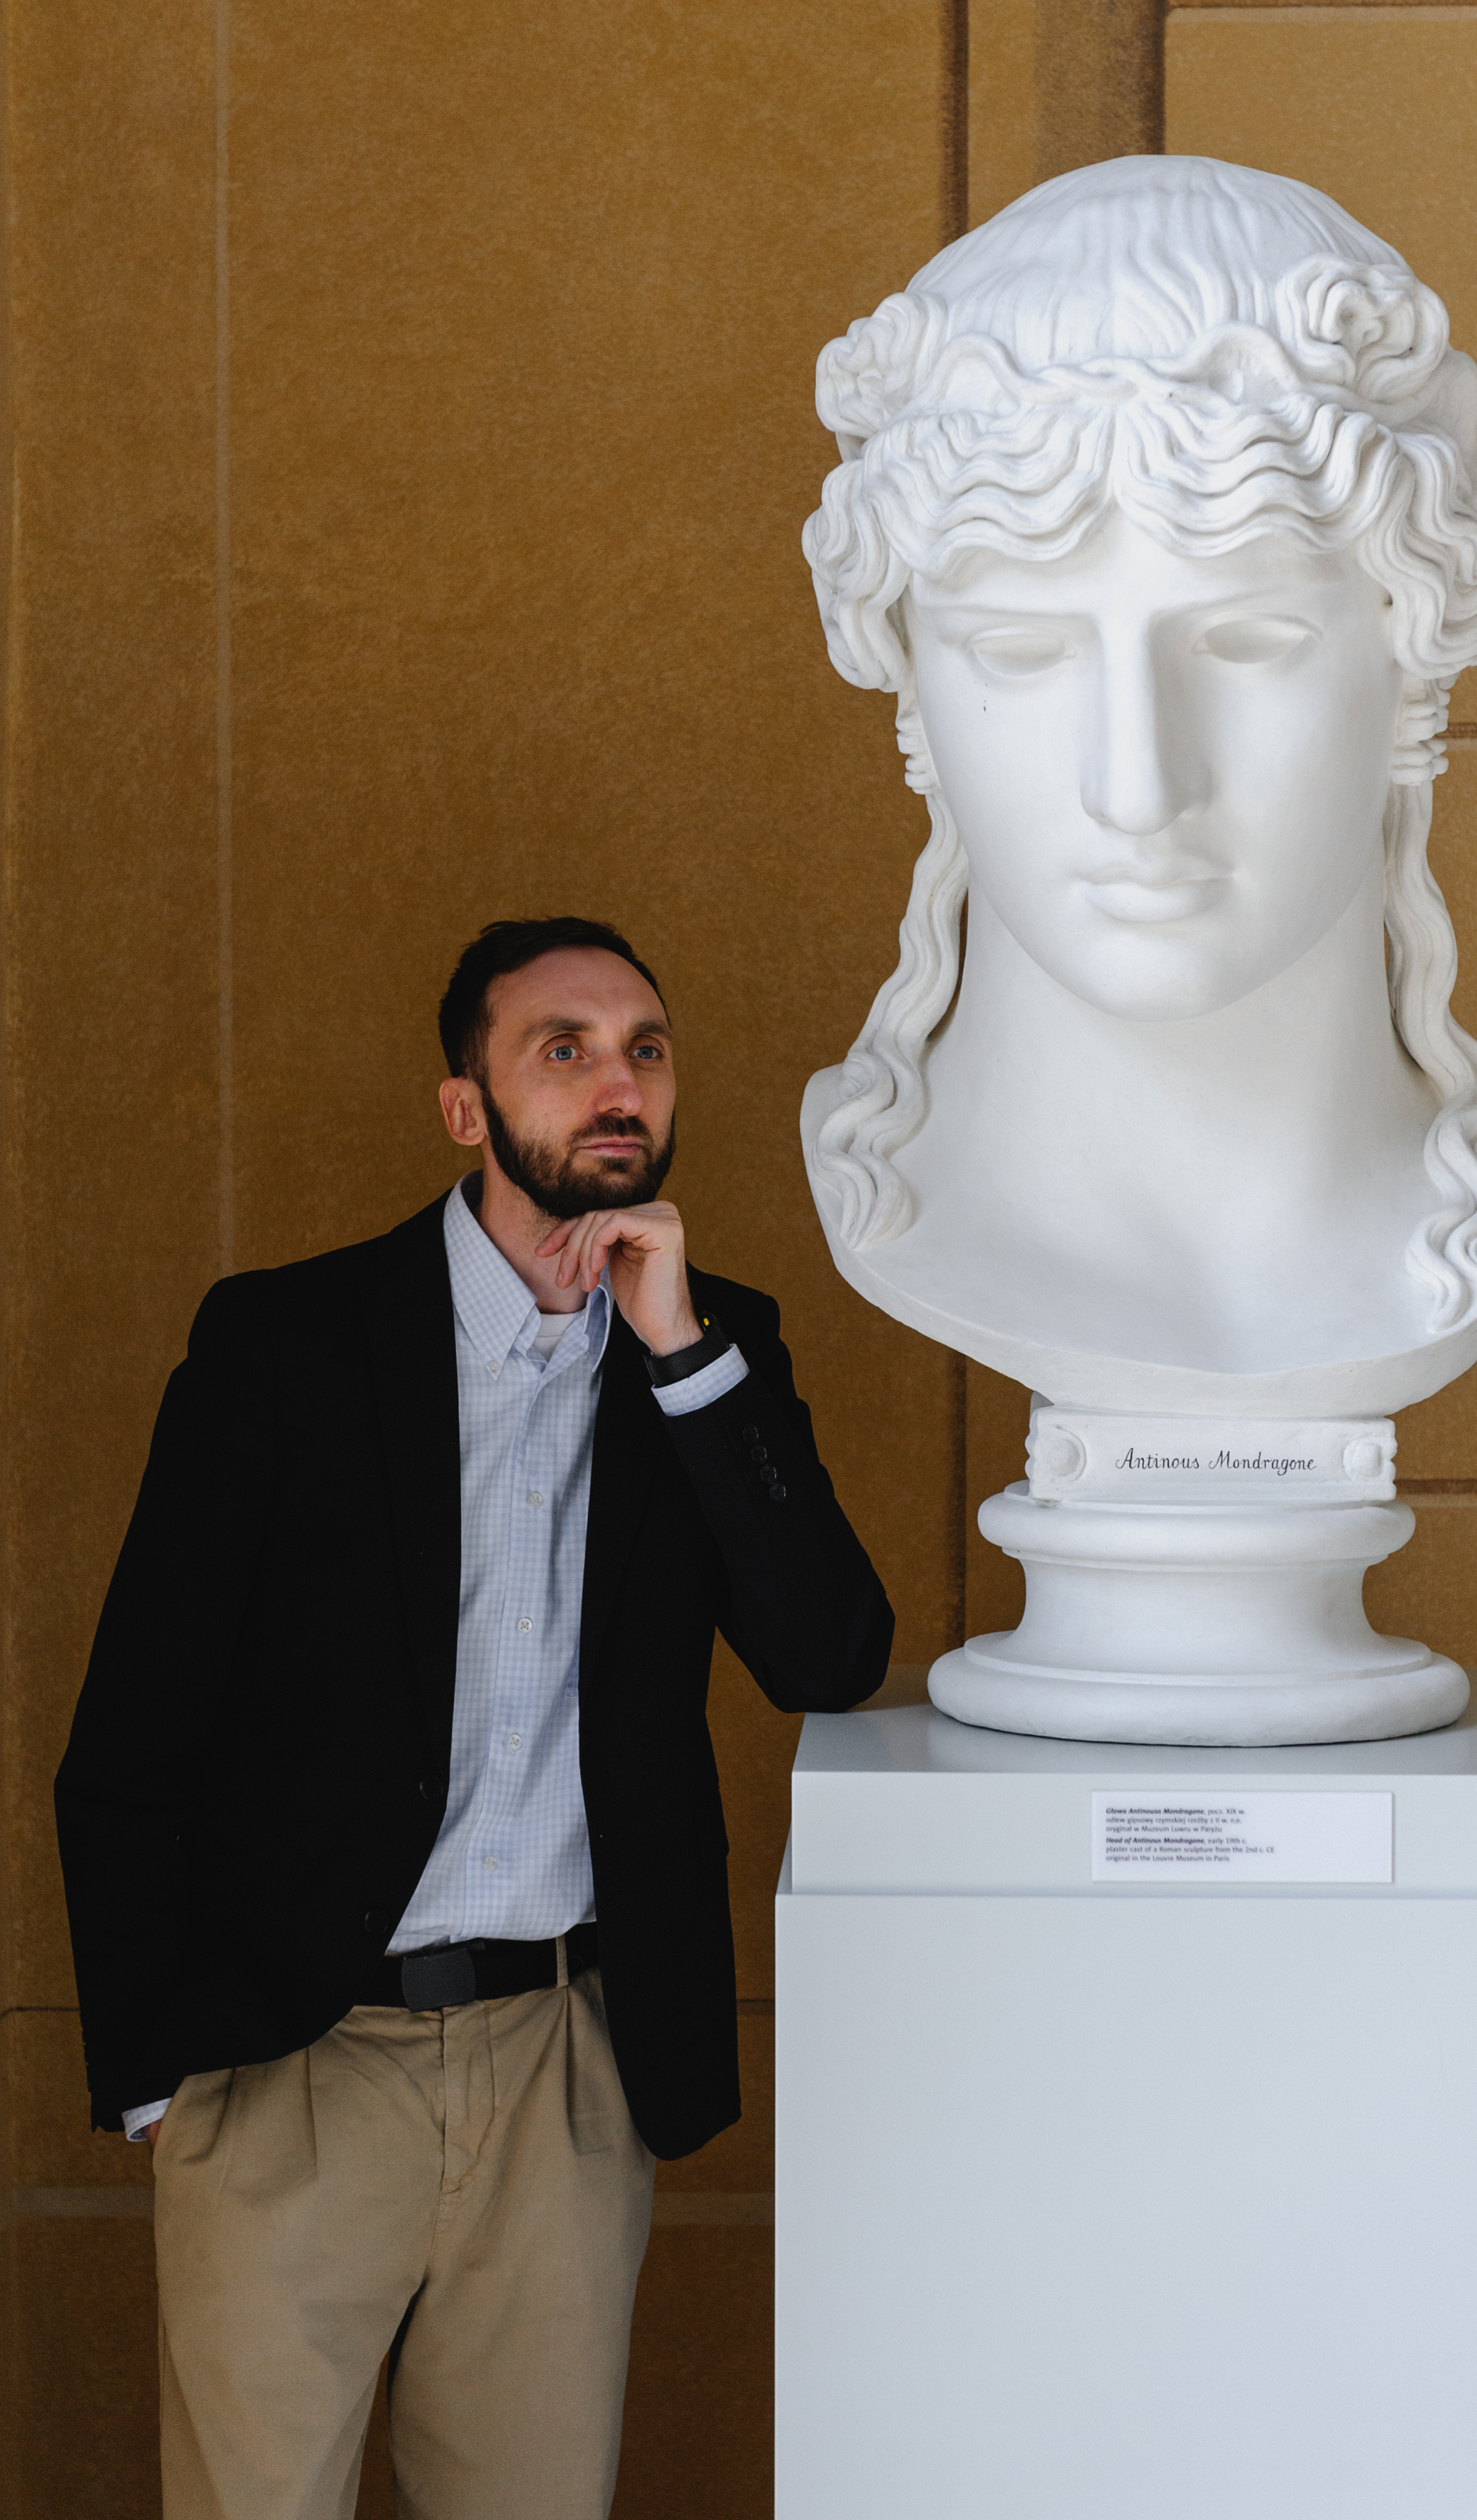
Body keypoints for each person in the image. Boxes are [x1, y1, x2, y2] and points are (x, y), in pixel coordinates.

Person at [55, 913, 894, 2520]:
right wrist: (170, 2082)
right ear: (468, 1106)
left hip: (567, 2066)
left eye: (644, 1047)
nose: (615, 1084)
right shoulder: (285, 1346)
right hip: (297, 2059)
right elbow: (131, 1737)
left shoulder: (714, 1348)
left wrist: (680, 1355)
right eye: (561, 1050)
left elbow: (829, 1653)